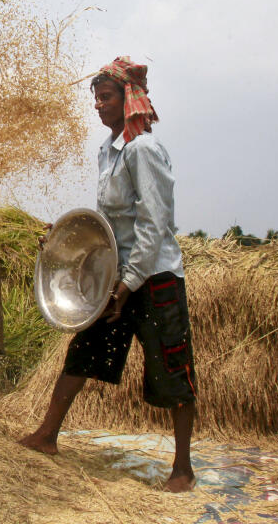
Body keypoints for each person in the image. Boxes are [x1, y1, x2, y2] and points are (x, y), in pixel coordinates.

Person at [19, 56, 196, 492]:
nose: (98, 106)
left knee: (172, 367)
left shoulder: (144, 150)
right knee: (84, 349)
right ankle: (47, 436)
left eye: (106, 97)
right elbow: (107, 224)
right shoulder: (108, 151)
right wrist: (60, 238)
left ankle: (183, 468)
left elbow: (155, 223)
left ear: (128, 98)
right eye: (95, 98)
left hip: (153, 280)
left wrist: (129, 283)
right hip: (117, 280)